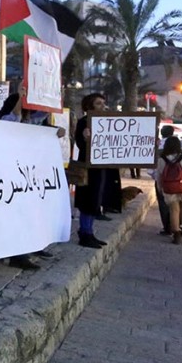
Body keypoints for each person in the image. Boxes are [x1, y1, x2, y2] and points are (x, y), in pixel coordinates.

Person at [0, 90, 64, 268]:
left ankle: (31, 246)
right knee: (16, 216)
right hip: (10, 179)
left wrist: (53, 95)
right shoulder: (6, 120)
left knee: (31, 214)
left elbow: (42, 115)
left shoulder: (31, 122)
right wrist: (21, 96)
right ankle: (17, 255)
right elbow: (14, 118)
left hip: (29, 177)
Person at [73, 93, 112, 249]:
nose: (103, 106)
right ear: (89, 106)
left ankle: (89, 232)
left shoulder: (104, 122)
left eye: (103, 103)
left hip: (99, 167)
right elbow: (81, 145)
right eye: (98, 103)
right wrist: (85, 138)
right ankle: (85, 233)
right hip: (88, 167)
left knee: (95, 199)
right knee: (87, 200)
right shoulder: (84, 122)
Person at [155, 136, 182, 244]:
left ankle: (177, 234)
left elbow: (159, 176)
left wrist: (160, 189)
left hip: (169, 189)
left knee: (174, 210)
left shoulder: (161, 159)